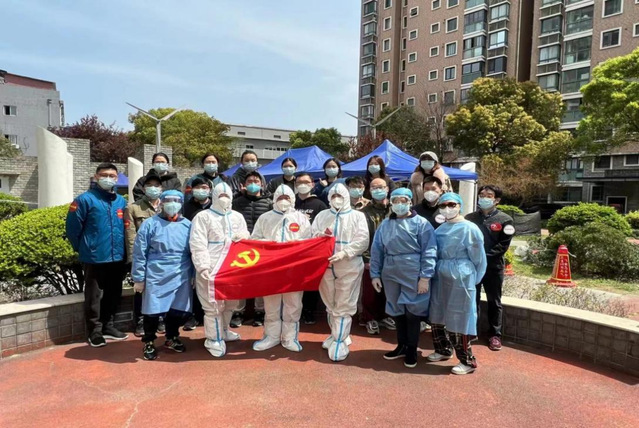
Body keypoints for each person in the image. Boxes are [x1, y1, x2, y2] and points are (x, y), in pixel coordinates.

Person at [370, 188, 437, 368]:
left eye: (403, 200)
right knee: (396, 309)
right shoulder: (385, 224)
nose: (399, 204)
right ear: (391, 202)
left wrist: (425, 277)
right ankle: (401, 345)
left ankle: (412, 349)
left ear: (410, 202)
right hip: (390, 270)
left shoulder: (421, 223)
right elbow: (377, 250)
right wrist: (375, 274)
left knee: (413, 311)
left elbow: (429, 250)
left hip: (412, 270)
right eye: (396, 201)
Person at [65, 163, 128, 348]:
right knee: (94, 296)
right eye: (104, 175)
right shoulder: (84, 200)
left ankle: (108, 326)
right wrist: (84, 248)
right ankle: (94, 331)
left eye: (112, 175)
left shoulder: (121, 201)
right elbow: (72, 229)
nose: (108, 178)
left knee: (113, 293)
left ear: (117, 178)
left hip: (117, 257)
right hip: (94, 257)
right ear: (96, 177)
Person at [428, 192, 487, 375]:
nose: (447, 208)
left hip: (461, 275)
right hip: (440, 274)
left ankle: (467, 360)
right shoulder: (440, 229)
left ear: (460, 205)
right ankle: (443, 349)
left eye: (451, 204)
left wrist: (474, 278)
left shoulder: (470, 228)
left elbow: (479, 258)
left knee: (459, 316)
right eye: (443, 205)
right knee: (437, 312)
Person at [131, 190, 193, 360]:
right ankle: (149, 341)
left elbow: (195, 251)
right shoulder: (150, 224)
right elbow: (139, 252)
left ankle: (171, 337)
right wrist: (139, 278)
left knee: (179, 310)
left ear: (181, 203)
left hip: (181, 272)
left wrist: (194, 274)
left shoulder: (188, 225)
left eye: (176, 201)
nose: (172, 204)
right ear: (161, 203)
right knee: (152, 310)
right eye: (168, 200)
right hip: (156, 273)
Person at [189, 182, 249, 358]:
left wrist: (243, 236)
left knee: (230, 303)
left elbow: (246, 236)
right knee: (213, 305)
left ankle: (224, 330)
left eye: (227, 195)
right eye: (220, 195)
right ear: (214, 196)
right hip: (211, 267)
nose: (224, 199)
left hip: (232, 267)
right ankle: (213, 339)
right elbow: (197, 243)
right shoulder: (203, 217)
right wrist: (202, 265)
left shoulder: (237, 217)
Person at [251, 184, 312, 352]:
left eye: (287, 198)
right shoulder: (265, 218)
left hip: (294, 269)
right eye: (280, 198)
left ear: (292, 199)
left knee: (293, 303)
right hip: (270, 269)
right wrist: (270, 245)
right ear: (274, 199)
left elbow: (309, 241)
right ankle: (271, 336)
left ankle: (290, 337)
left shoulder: (301, 219)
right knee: (271, 304)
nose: (283, 201)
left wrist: (294, 247)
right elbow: (254, 239)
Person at [312, 183, 369, 362]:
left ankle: (340, 341)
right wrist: (320, 236)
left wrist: (345, 253)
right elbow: (311, 235)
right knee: (330, 303)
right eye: (333, 196)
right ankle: (335, 334)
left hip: (349, 265)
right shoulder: (322, 215)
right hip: (325, 266)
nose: (337, 199)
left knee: (344, 304)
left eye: (340, 196)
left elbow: (363, 240)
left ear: (346, 197)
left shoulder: (357, 216)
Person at [465, 185, 514, 352]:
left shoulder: (505, 220)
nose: (484, 198)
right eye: (482, 195)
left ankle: (495, 335)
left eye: (489, 195)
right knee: (473, 299)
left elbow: (503, 246)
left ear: (497, 200)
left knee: (494, 301)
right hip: (473, 267)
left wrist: (483, 258)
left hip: (493, 268)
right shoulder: (470, 218)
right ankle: (472, 331)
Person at [230, 171, 273, 327]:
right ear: (244, 184)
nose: (253, 184)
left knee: (261, 280)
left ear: (262, 184)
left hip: (262, 246)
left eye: (256, 181)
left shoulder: (269, 203)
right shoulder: (237, 202)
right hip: (241, 245)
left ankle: (259, 311)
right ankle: (238, 312)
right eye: (249, 181)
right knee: (239, 280)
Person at [124, 172, 163, 337]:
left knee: (162, 288)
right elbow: (130, 236)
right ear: (144, 188)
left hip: (162, 257)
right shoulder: (133, 208)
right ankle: (140, 320)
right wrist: (133, 259)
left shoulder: (167, 206)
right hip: (143, 256)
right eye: (149, 185)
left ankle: (160, 318)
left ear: (161, 188)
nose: (153, 188)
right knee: (141, 289)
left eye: (156, 185)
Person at [360, 178, 394, 335]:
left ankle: (384, 316)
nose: (377, 190)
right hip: (372, 256)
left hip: (392, 258)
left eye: (380, 187)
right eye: (374, 187)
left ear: (387, 188)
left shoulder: (394, 209)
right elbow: (363, 237)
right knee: (370, 291)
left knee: (388, 290)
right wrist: (367, 259)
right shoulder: (364, 212)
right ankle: (369, 318)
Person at [294, 172, 329, 325]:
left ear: (312, 184)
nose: (303, 185)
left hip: (312, 250)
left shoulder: (319, 205)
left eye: (306, 182)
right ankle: (294, 310)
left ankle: (308, 310)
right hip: (293, 250)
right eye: (299, 182)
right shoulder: (290, 202)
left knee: (311, 282)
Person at [182, 176, 213, 330]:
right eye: (198, 187)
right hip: (190, 249)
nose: (201, 190)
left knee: (208, 283)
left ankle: (208, 314)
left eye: (204, 187)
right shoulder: (185, 208)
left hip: (212, 251)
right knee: (192, 284)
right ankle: (193, 316)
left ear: (210, 190)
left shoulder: (215, 206)